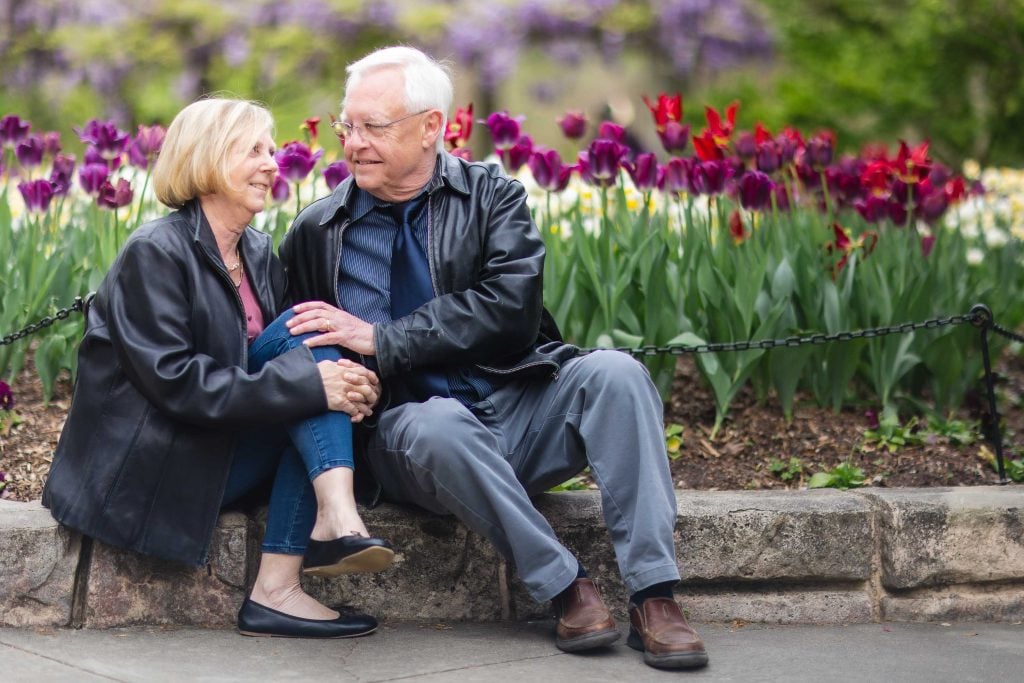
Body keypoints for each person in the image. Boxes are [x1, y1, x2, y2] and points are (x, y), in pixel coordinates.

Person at [279, 47, 709, 670]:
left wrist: (382, 338)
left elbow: (511, 308)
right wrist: (344, 374)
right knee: (437, 421)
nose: (353, 143)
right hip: (412, 438)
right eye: (348, 126)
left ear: (432, 127)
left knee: (616, 373)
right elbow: (298, 342)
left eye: (374, 126)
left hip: (513, 402)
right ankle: (566, 588)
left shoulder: (492, 196)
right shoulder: (318, 230)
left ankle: (655, 594)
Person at [42, 97, 393, 640]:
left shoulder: (256, 252)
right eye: (253, 150)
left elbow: (286, 366)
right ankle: (332, 527)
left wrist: (348, 383)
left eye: (272, 150)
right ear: (206, 159)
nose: (272, 164)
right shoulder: (155, 252)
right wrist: (316, 382)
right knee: (310, 361)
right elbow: (178, 385)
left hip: (223, 444)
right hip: (163, 464)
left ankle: (287, 580)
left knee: (314, 346)